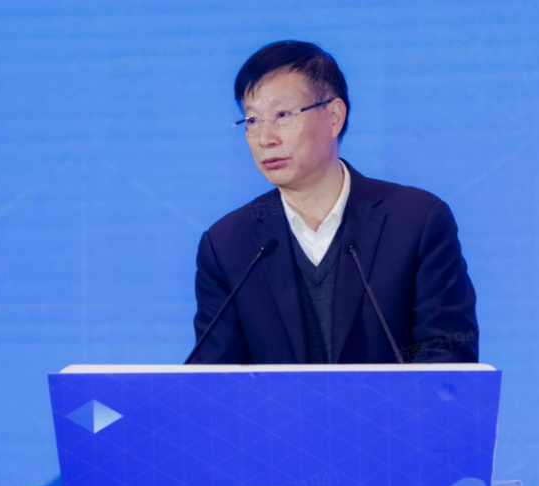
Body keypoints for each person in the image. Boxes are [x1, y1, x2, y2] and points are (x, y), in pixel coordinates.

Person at [190, 40, 478, 364]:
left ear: (334, 117)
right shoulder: (228, 245)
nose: (266, 138)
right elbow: (214, 379)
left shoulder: (416, 221)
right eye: (253, 121)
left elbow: (447, 355)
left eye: (283, 115)